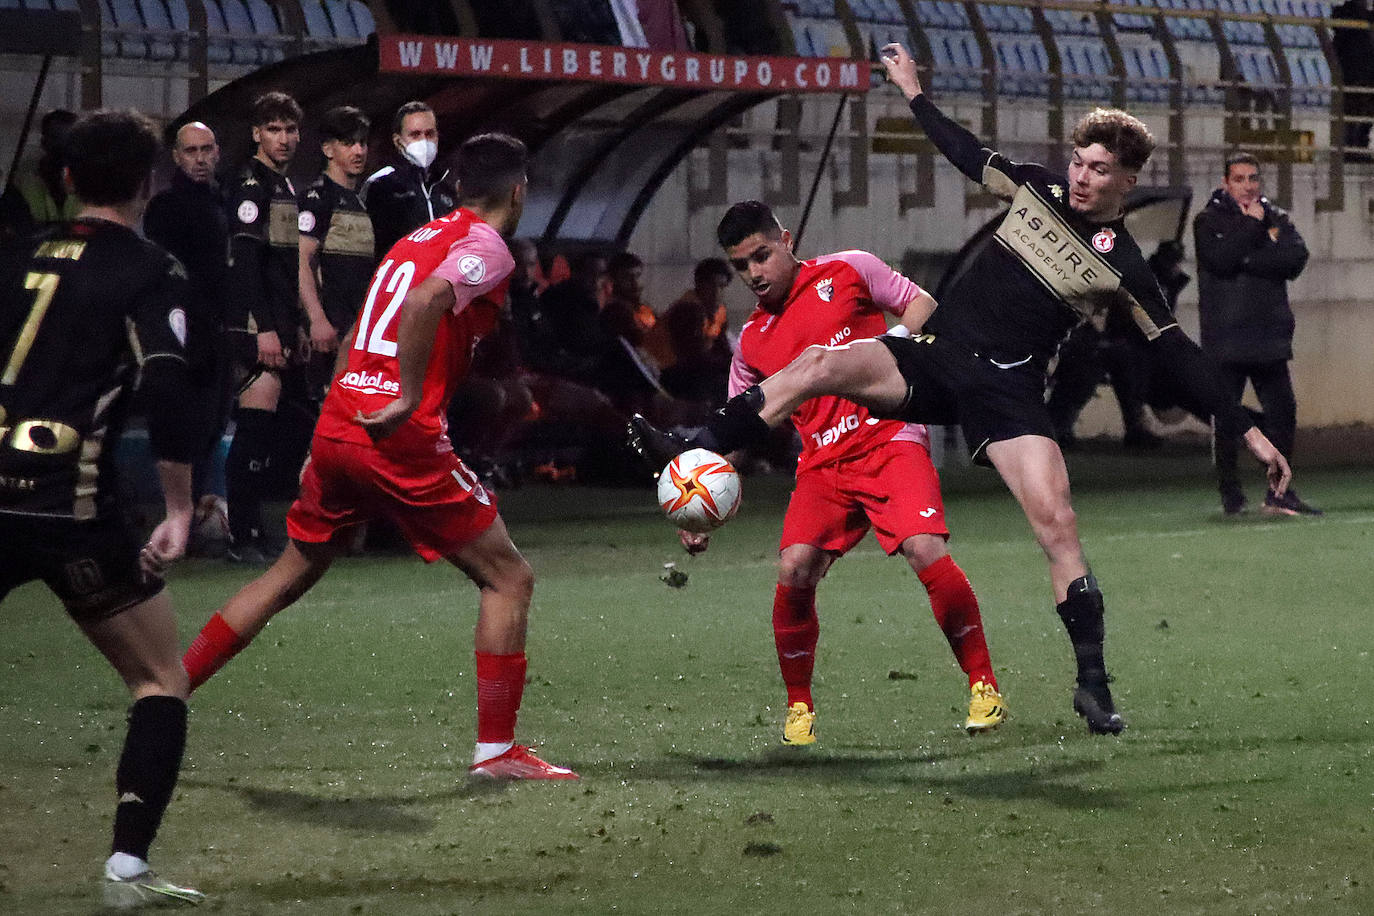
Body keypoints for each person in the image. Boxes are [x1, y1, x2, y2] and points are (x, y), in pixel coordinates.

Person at [631, 43, 1292, 736]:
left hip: (1008, 391)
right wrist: (913, 91)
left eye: (1100, 169)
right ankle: (692, 446)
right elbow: (962, 149)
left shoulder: (1124, 264)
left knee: (1058, 529)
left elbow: (1181, 354)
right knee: (822, 361)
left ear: (1128, 178)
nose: (1084, 176)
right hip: (937, 357)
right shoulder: (1039, 188)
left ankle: (1093, 684)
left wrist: (1244, 425)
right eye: (1080, 162)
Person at [181, 132, 578, 780]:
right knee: (510, 578)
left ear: (453, 186)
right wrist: (412, 396)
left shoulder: (412, 242)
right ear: (519, 191)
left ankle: (169, 690)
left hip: (344, 422)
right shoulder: (485, 247)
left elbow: (360, 333)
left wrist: (323, 441)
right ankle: (497, 753)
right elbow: (427, 302)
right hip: (399, 435)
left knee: (287, 575)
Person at [677, 201, 1007, 744]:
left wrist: (915, 356)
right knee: (794, 568)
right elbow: (738, 429)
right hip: (823, 464)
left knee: (925, 549)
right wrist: (700, 508)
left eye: (762, 255)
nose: (754, 273)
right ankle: (799, 708)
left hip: (888, 439)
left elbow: (919, 305)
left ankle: (984, 686)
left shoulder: (850, 269)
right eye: (741, 265)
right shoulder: (752, 342)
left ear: (786, 240)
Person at [0, 110, 204, 906]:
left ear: (67, 179)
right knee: (158, 680)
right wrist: (180, 508)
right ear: (149, 182)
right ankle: (126, 869)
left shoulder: (11, 255)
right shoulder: (150, 270)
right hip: (69, 513)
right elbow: (168, 386)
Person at [1193, 152, 1318, 517]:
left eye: (1253, 178)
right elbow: (1220, 260)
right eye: (1240, 179)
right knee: (1227, 419)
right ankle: (1231, 496)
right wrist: (1252, 229)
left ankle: (1279, 492)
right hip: (1225, 338)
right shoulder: (1208, 220)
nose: (1248, 186)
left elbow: (1295, 258)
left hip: (1270, 337)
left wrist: (1248, 258)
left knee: (1283, 413)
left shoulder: (1275, 216)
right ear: (1225, 184)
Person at [223, 91, 303, 563]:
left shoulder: (284, 186)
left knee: (271, 432)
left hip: (279, 322)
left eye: (291, 129)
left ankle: (253, 528)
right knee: (254, 429)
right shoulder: (251, 185)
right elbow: (246, 264)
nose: (285, 139)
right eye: (274, 129)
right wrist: (265, 329)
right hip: (257, 325)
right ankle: (241, 536)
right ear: (257, 134)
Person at [144, 121, 233, 520]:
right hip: (188, 335)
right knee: (191, 427)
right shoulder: (166, 209)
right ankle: (182, 512)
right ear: (177, 157)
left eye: (206, 149)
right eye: (191, 151)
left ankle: (196, 511)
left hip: (221, 331)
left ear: (217, 152)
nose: (200, 158)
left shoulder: (224, 199)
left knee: (214, 424)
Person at [298, 105, 376, 399]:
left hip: (356, 333)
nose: (358, 150)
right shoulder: (318, 198)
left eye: (362, 142)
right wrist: (317, 320)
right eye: (348, 143)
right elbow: (302, 260)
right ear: (328, 149)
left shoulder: (363, 201)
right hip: (329, 334)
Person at [362, 101, 457, 257]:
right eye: (415, 134)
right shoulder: (381, 184)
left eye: (429, 134)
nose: (424, 141)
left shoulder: (445, 184)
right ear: (398, 141)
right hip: (398, 277)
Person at [659, 257, 734, 404]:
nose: (716, 293)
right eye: (711, 286)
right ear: (699, 284)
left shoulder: (716, 311)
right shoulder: (687, 310)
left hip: (698, 370)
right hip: (669, 373)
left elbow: (722, 347)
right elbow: (692, 356)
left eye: (721, 287)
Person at [0, 108, 79, 239]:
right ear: (44, 142)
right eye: (56, 138)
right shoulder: (22, 178)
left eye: (69, 141)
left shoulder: (90, 180)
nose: (62, 147)